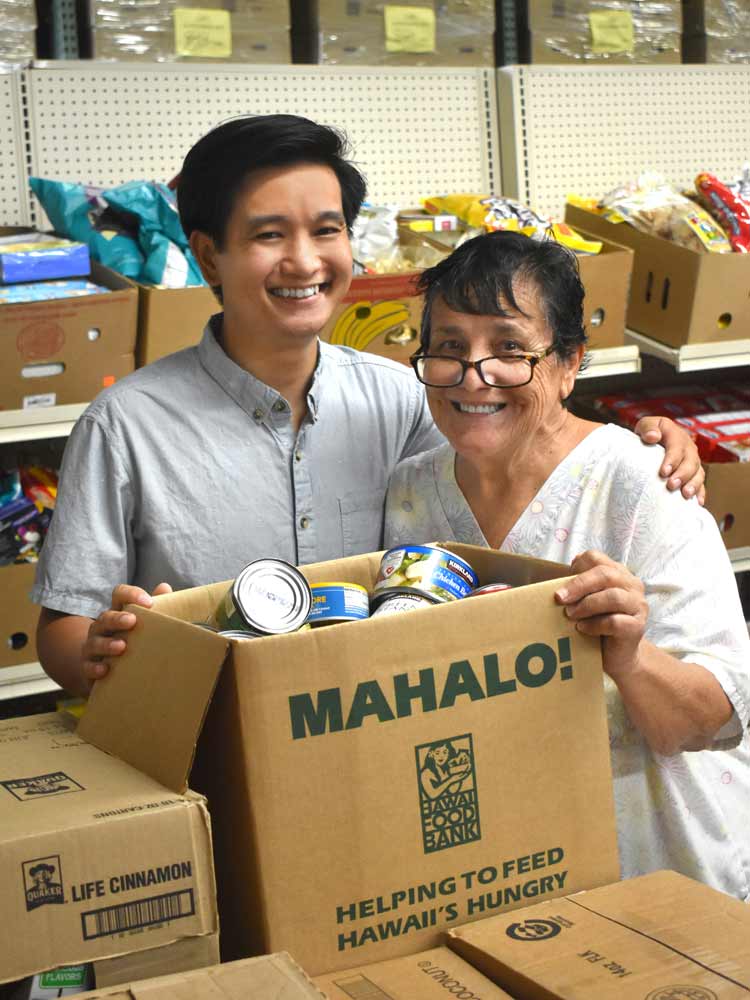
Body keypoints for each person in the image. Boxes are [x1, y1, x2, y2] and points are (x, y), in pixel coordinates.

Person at [33, 115, 703, 699]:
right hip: (210, 746)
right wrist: (98, 655)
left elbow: (516, 434)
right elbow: (62, 626)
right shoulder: (126, 425)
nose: (304, 261)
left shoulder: (404, 398)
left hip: (375, 734)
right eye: (269, 236)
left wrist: (642, 438)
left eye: (326, 230)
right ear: (209, 255)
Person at [384, 230, 750, 900]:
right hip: (509, 873)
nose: (474, 375)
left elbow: (715, 717)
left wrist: (631, 658)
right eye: (448, 348)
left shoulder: (644, 483)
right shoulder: (409, 494)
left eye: (510, 349)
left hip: (664, 874)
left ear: (569, 363)